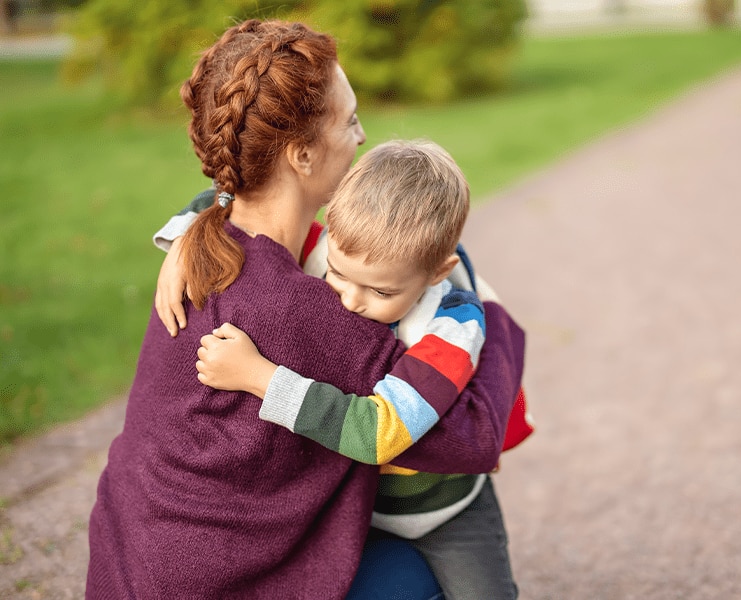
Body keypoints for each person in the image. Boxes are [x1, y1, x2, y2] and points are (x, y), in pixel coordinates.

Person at [85, 19, 525, 600]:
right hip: (221, 582)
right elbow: (474, 436)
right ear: (300, 154)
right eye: (350, 121)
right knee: (428, 580)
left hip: (131, 562)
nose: (363, 138)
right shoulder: (309, 311)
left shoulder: (207, 244)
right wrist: (484, 310)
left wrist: (201, 212)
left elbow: (224, 202)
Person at [157, 140, 533, 599]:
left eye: (380, 292)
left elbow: (380, 431)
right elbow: (237, 201)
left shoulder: (453, 328)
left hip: (445, 512)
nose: (351, 301)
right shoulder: (326, 248)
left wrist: (259, 378)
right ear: (331, 225)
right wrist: (185, 236)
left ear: (438, 271)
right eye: (339, 274)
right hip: (358, 507)